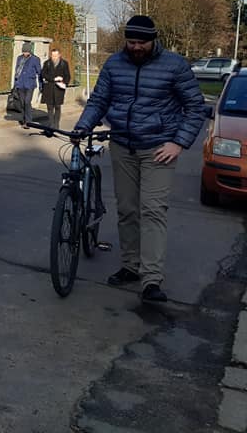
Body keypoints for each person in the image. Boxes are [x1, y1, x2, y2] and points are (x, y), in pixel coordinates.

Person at [73, 15, 206, 303]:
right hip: (122, 146)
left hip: (159, 148)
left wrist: (178, 142)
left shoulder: (174, 65)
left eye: (141, 42)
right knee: (127, 210)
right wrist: (83, 125)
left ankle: (151, 280)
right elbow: (99, 100)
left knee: (153, 210)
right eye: (131, 42)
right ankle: (130, 266)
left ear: (153, 39)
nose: (135, 47)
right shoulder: (114, 63)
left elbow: (196, 108)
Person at [40, 47, 71, 129]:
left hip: (59, 89)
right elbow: (43, 74)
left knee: (57, 106)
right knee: (49, 107)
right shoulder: (47, 63)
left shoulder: (64, 63)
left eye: (55, 55)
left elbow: (68, 76)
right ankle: (51, 124)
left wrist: (64, 83)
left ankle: (56, 124)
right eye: (52, 55)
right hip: (49, 89)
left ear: (59, 55)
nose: (54, 57)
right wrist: (53, 79)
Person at [13, 42, 42, 127]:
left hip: (30, 84)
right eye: (24, 52)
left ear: (30, 51)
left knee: (27, 102)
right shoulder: (19, 58)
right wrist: (16, 83)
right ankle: (23, 119)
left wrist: (41, 85)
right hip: (20, 84)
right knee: (22, 103)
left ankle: (28, 121)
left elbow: (39, 72)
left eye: (26, 52)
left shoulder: (35, 59)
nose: (25, 53)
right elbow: (17, 71)